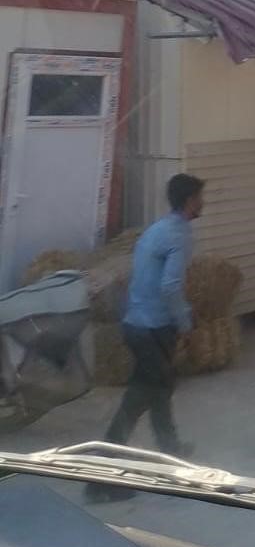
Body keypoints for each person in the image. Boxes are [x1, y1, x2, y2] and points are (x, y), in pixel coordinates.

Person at [86, 174, 204, 501]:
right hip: (154, 327)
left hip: (136, 323)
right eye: (200, 197)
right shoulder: (179, 234)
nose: (203, 203)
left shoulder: (157, 228)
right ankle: (97, 481)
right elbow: (169, 286)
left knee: (160, 388)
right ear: (190, 200)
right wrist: (185, 321)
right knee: (139, 399)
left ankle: (171, 452)